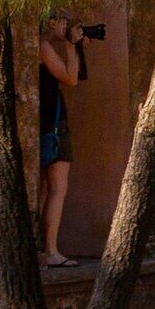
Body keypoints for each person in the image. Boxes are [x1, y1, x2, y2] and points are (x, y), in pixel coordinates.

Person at [37, 15, 89, 265]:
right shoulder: (42, 46)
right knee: (57, 188)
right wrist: (70, 45)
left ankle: (44, 249)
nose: (66, 28)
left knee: (45, 189)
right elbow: (71, 78)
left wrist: (76, 47)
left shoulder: (40, 45)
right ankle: (51, 251)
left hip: (48, 122)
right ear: (51, 22)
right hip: (52, 125)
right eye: (63, 23)